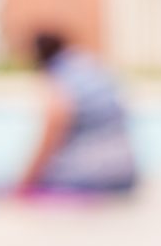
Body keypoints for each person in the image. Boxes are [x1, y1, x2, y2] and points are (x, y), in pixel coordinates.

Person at [12, 28, 138, 196]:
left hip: (90, 178)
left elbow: (54, 123)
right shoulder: (89, 64)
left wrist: (25, 181)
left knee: (10, 184)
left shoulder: (57, 76)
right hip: (126, 172)